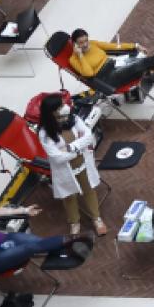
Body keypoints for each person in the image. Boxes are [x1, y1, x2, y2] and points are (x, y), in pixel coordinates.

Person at [36, 93, 104, 236]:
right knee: (69, 197)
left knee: (89, 190)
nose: (65, 107)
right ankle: (74, 222)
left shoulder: (74, 119)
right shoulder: (44, 133)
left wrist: (70, 148)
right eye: (60, 106)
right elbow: (57, 158)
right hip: (65, 171)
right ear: (52, 112)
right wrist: (79, 150)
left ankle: (96, 219)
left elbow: (88, 136)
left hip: (83, 165)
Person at [68, 29, 154, 96]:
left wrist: (135, 45)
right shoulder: (74, 59)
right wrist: (80, 55)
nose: (85, 44)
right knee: (144, 63)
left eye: (86, 41)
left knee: (147, 59)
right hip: (108, 79)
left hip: (115, 65)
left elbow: (113, 47)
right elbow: (88, 74)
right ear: (75, 44)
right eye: (81, 43)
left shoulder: (93, 44)